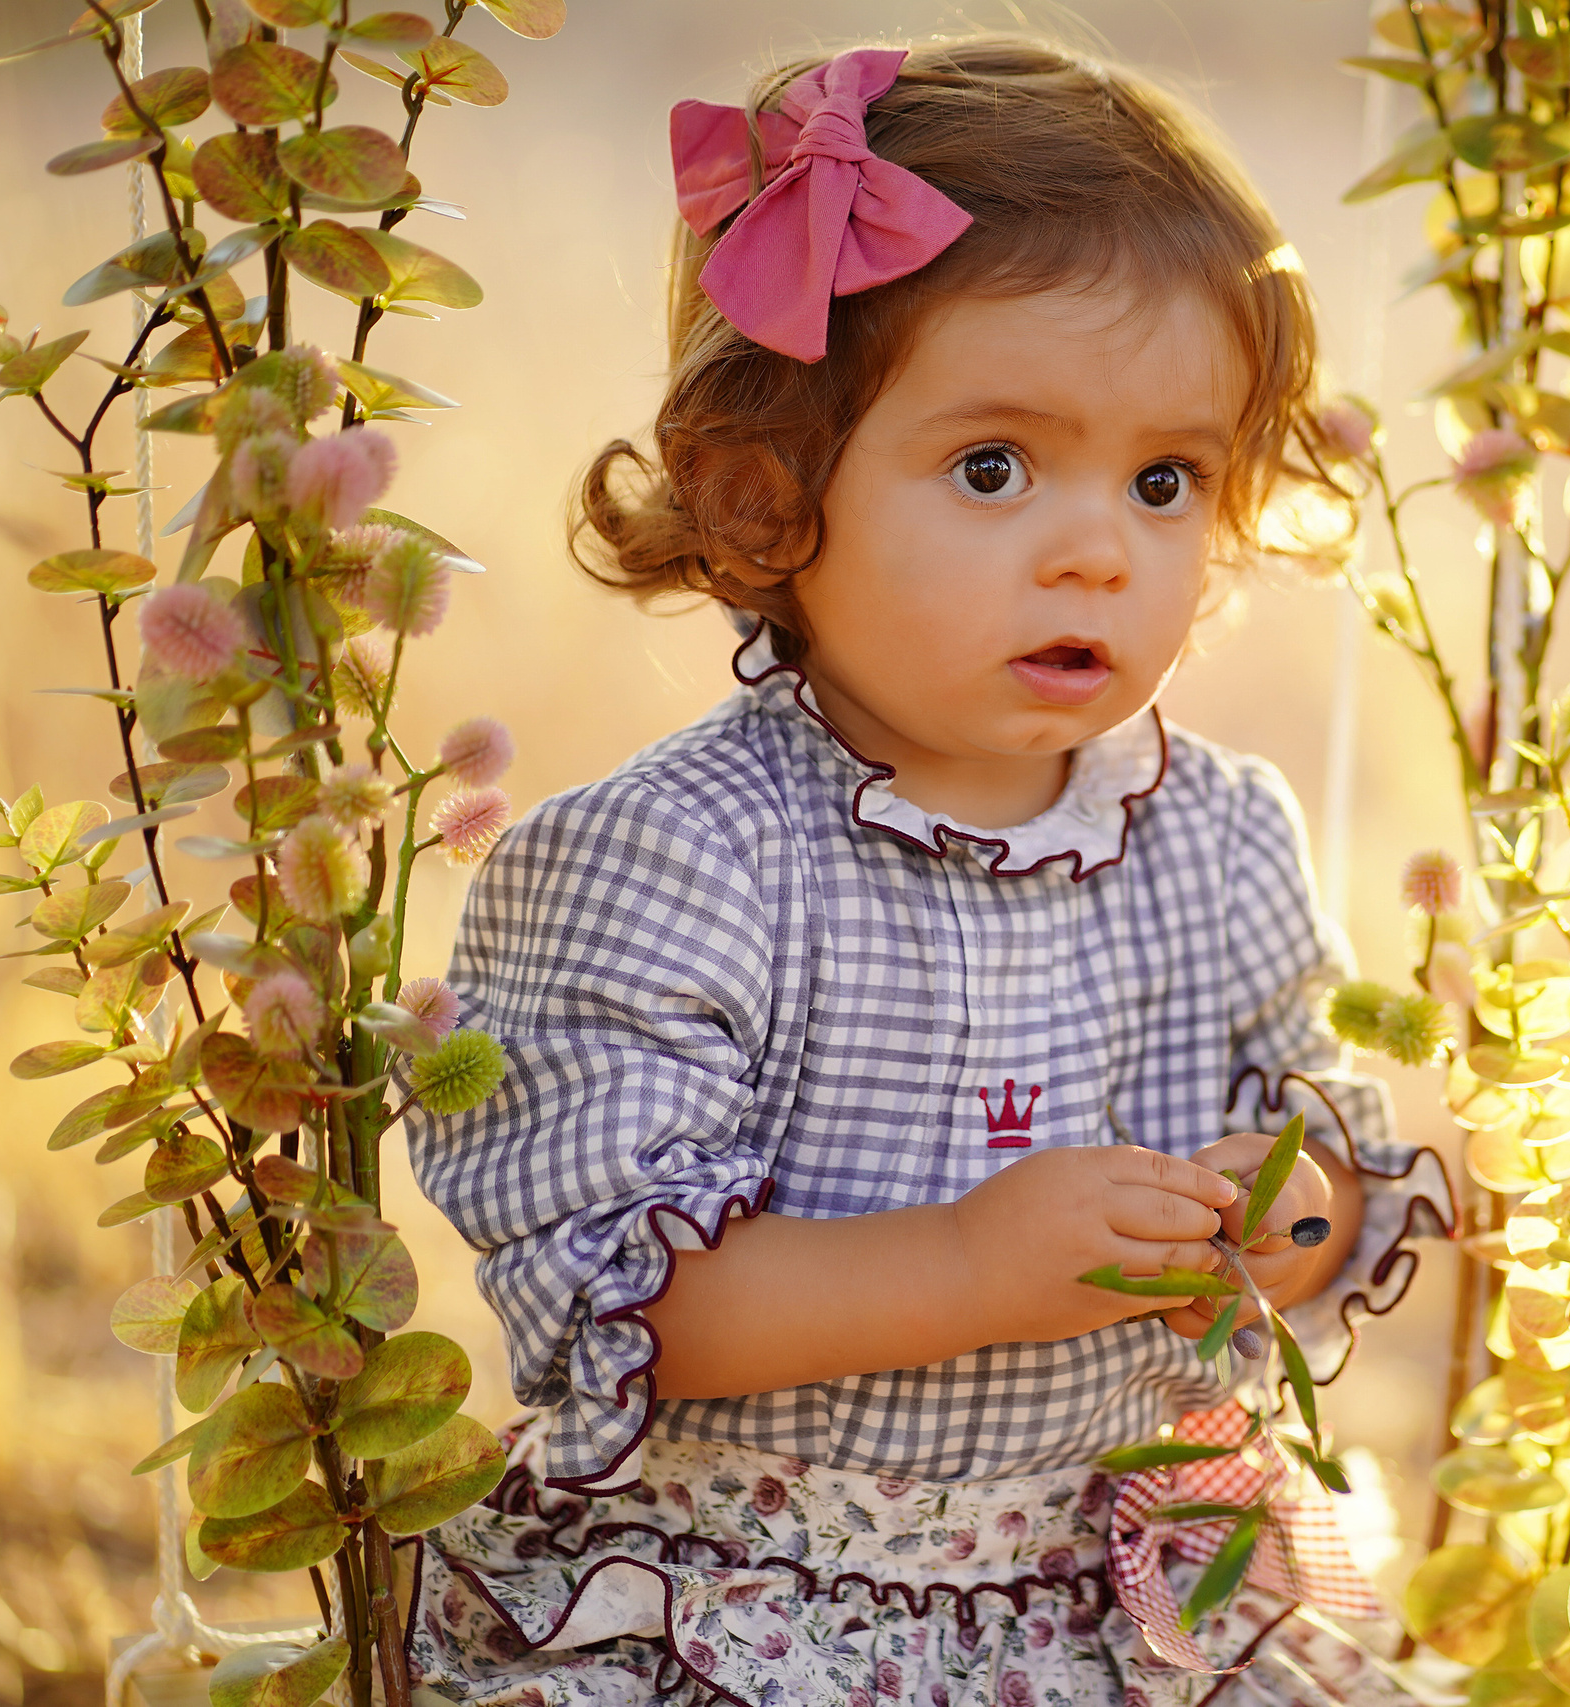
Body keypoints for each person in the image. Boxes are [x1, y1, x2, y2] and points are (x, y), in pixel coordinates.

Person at [401, 35, 1453, 1707]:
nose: (1099, 544)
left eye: (1166, 478)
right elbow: (622, 1306)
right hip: (769, 1601)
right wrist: (969, 1266)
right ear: (765, 500)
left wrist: (1290, 1212)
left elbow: (1325, 1151)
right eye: (993, 467)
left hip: (1121, 1581)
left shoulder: (1219, 837)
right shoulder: (671, 865)